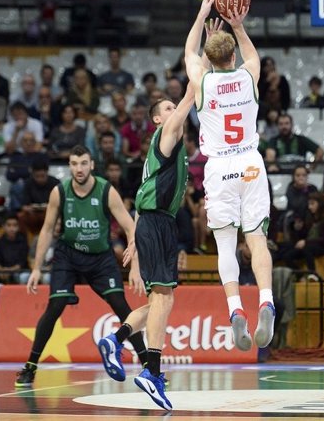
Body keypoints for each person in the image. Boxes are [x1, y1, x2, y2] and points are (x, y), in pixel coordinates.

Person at [185, 0, 276, 356]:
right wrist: (238, 25)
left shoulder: (202, 83)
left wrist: (202, 14)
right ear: (233, 57)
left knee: (225, 242)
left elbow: (190, 54)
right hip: (251, 162)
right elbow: (253, 55)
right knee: (257, 239)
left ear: (209, 59)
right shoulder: (248, 76)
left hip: (219, 165)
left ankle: (235, 309)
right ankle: (266, 302)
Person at [96, 83, 195, 411]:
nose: (173, 112)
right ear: (156, 120)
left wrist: (136, 240)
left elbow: (143, 197)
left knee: (162, 302)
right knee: (163, 298)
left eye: (172, 109)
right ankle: (151, 370)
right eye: (166, 109)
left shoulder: (161, 153)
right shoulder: (166, 137)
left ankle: (116, 340)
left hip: (158, 223)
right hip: (157, 223)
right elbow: (189, 99)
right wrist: (204, 64)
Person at [15, 145, 148, 388]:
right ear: (69, 166)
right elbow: (46, 229)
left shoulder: (106, 190)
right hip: (68, 255)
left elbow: (130, 227)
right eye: (74, 164)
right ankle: (30, 367)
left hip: (101, 257)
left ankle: (149, 366)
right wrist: (36, 267)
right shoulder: (59, 192)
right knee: (55, 306)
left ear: (92, 165)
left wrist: (136, 265)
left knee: (121, 306)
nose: (79, 168)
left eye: (84, 163)